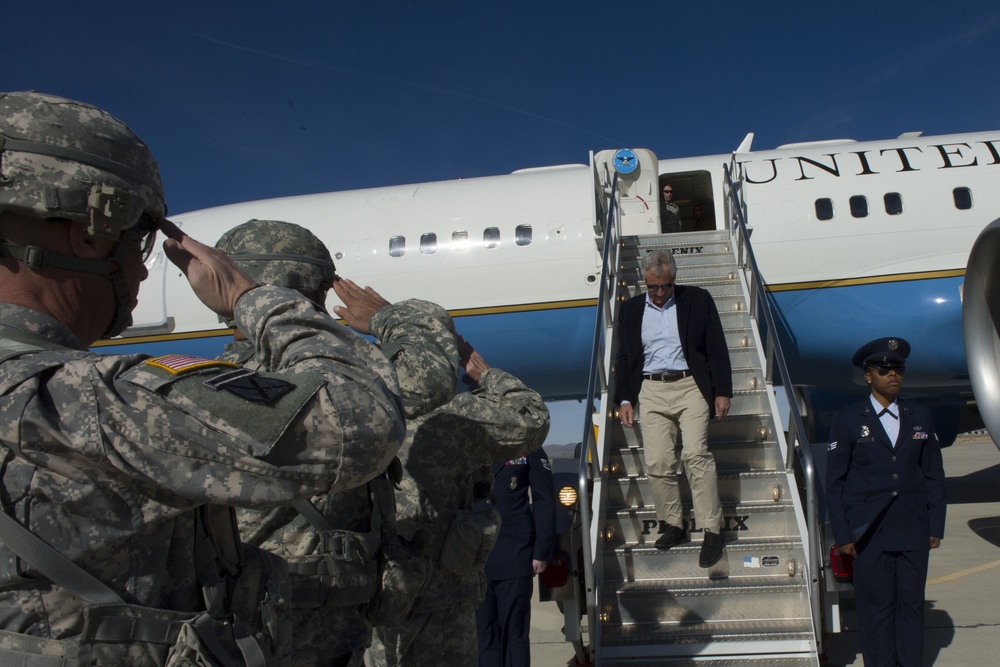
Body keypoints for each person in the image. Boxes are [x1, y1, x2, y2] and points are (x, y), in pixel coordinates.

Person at [0, 91, 407, 665]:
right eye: (140, 239)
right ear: (91, 232)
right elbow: (358, 422)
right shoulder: (90, 398)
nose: (143, 266)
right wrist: (255, 300)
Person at [215, 219, 460, 667]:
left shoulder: (209, 379)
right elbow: (427, 377)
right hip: (306, 622)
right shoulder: (312, 376)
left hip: (254, 619)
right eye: (322, 290)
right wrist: (390, 316)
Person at [368, 337, 551, 667]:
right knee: (485, 640)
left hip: (394, 588)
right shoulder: (454, 424)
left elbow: (542, 499)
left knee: (509, 635)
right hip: (444, 584)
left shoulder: (367, 421)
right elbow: (530, 415)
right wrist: (487, 375)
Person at [826, 337, 946, 667]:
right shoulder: (849, 419)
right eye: (884, 369)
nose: (893, 374)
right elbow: (834, 484)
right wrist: (844, 535)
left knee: (911, 605)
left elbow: (933, 474)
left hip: (912, 528)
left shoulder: (920, 414)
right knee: (877, 608)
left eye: (898, 368)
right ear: (868, 376)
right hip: (869, 532)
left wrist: (935, 524)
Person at [614, 249, 731, 568]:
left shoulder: (698, 299)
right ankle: (674, 524)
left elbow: (716, 346)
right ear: (644, 282)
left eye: (665, 286)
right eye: (653, 287)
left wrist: (722, 391)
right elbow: (625, 358)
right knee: (658, 461)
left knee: (695, 455)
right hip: (650, 389)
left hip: (690, 384)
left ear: (674, 280)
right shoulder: (630, 310)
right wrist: (625, 399)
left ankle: (712, 528)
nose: (660, 293)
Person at [475, 447, 556, 667]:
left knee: (514, 635)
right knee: (484, 635)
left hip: (515, 551)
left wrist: (541, 550)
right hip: (474, 556)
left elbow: (544, 499)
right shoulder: (470, 444)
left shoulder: (528, 447)